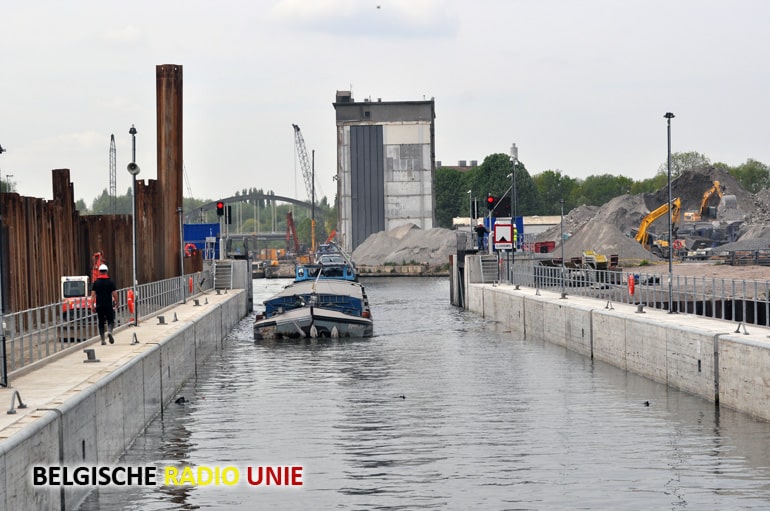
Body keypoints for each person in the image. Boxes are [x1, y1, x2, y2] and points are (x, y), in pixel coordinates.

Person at [91, 263, 118, 345]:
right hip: (108, 305)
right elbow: (114, 294)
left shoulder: (96, 283)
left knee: (101, 322)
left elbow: (92, 295)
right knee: (110, 320)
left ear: (99, 272)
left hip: (99, 305)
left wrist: (92, 305)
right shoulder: (110, 281)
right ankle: (109, 331)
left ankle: (102, 340)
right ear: (106, 271)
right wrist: (117, 302)